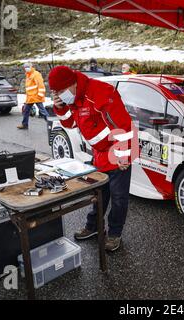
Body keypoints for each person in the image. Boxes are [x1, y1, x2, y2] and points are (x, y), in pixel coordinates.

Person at [49, 66, 135, 251]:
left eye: (61, 92)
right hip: (100, 153)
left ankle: (114, 234)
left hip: (118, 150)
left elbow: (124, 125)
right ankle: (94, 226)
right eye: (56, 94)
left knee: (119, 198)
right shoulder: (75, 98)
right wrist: (60, 106)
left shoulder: (101, 93)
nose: (61, 96)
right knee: (99, 194)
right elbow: (71, 123)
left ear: (72, 84)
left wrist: (122, 155)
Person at [17, 62, 49, 129]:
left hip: (36, 96)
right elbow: (29, 88)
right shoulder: (28, 75)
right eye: (25, 67)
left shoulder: (36, 74)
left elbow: (41, 85)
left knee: (43, 111)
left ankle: (51, 124)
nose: (26, 68)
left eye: (28, 67)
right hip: (30, 97)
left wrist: (40, 95)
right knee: (26, 111)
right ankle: (24, 124)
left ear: (31, 67)